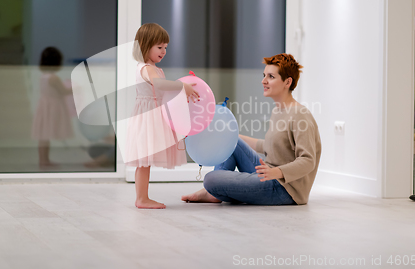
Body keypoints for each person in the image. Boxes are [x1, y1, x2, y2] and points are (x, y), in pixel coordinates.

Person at [182, 53, 321, 205]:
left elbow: (308, 161)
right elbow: (267, 146)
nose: (263, 81)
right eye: (264, 75)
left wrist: (276, 172)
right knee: (231, 140)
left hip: (284, 189)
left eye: (271, 77)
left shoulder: (300, 115)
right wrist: (226, 134)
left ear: (287, 82)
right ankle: (215, 193)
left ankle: (214, 190)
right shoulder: (278, 111)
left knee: (211, 179)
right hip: (268, 173)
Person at [125, 23, 200, 209]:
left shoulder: (153, 67)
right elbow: (159, 85)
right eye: (159, 47)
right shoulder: (147, 68)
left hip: (152, 114)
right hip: (147, 116)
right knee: (144, 160)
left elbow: (163, 92)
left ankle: (142, 197)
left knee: (146, 161)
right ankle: (141, 199)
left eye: (165, 47)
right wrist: (182, 86)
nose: (164, 51)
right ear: (145, 45)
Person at [31, 47, 73, 167]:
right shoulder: (54, 78)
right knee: (46, 135)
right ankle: (44, 160)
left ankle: (43, 159)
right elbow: (64, 91)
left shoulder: (43, 76)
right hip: (52, 108)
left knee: (43, 136)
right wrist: (77, 88)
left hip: (44, 107)